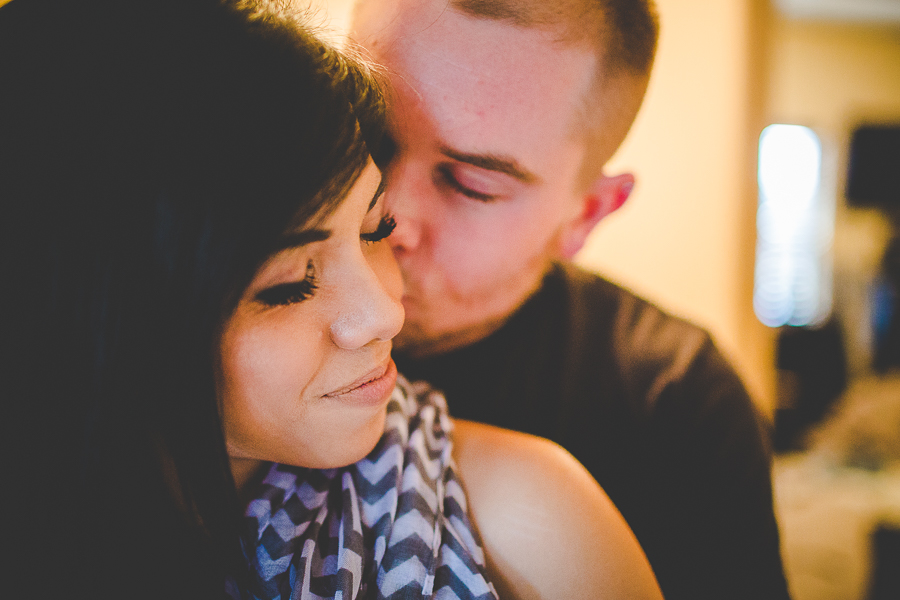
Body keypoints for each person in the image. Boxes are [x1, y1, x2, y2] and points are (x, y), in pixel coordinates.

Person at [0, 0, 663, 598]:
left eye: (372, 229)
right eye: (290, 286)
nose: (386, 312)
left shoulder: (544, 504)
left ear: (588, 214)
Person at [351, 0, 793, 598]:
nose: (386, 212)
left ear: (586, 214)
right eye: (367, 132)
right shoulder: (216, 304)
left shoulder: (675, 400)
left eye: (469, 184)